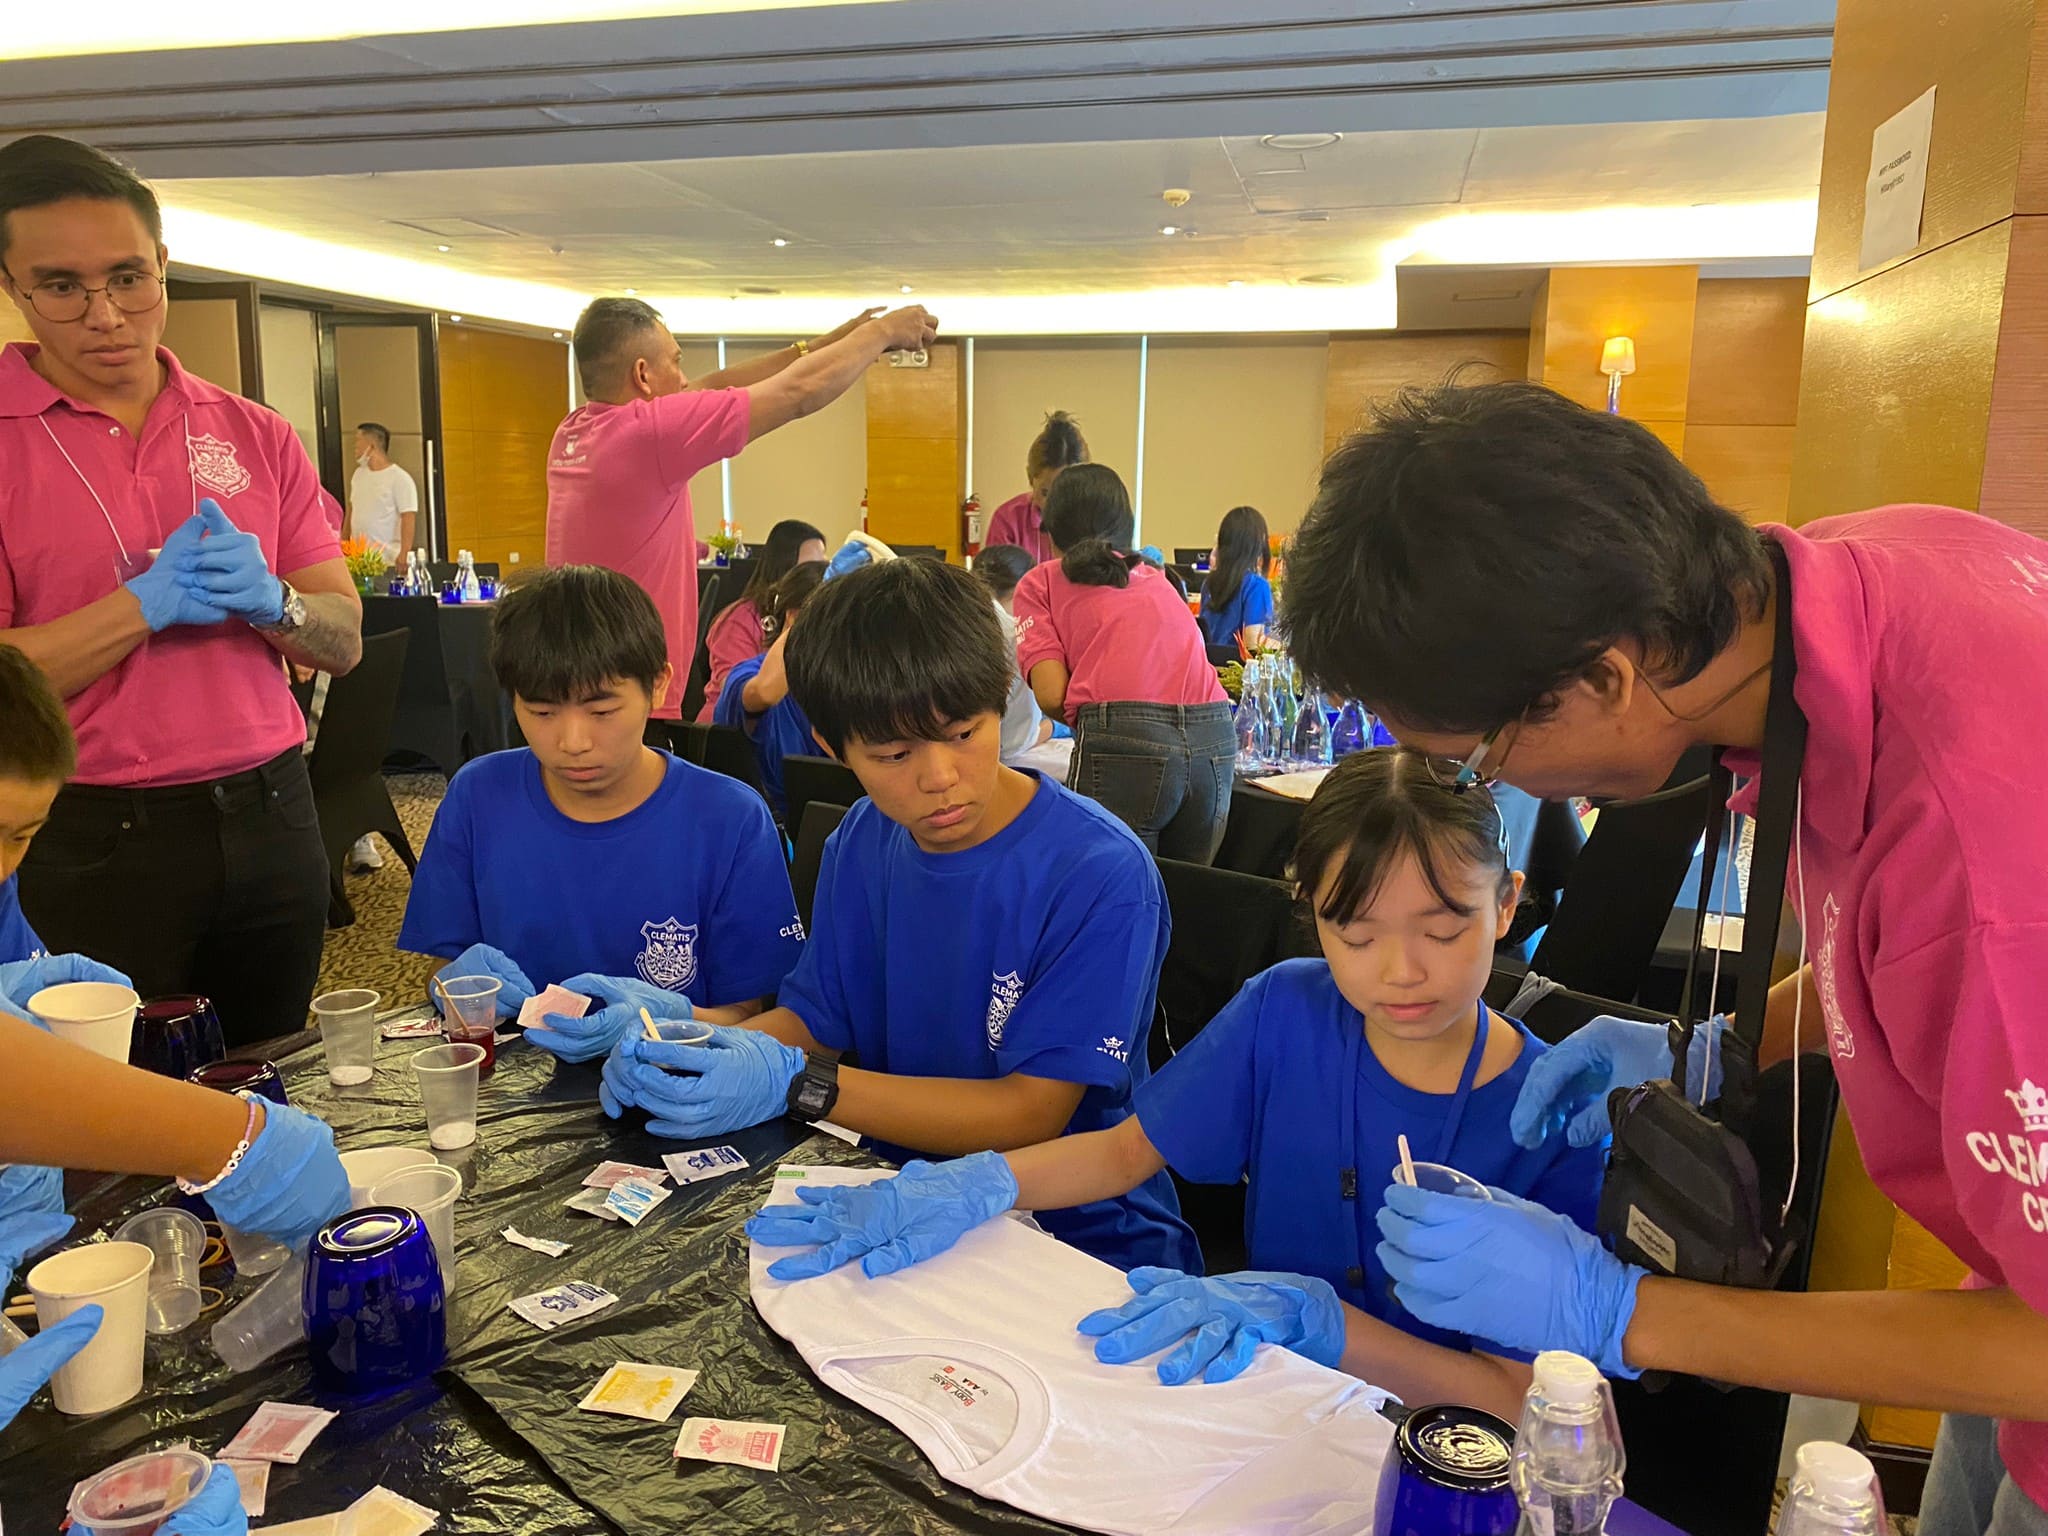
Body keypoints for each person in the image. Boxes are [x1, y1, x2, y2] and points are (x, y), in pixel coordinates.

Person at [1283, 380, 2048, 1536]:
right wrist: (1716, 1047)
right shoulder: (1845, 583)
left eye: (1477, 758)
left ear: (1600, 678)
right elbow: (1904, 957)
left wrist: (1616, 1310)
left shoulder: (1977, 863)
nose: (1493, 785)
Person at [746, 748, 1603, 1420]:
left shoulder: (1558, 1112)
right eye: (1356, 934)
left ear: (1506, 904)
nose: (1401, 972)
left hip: (1444, 1453)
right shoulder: (1286, 1009)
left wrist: (1332, 1329)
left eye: (1443, 930)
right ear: (1311, 912)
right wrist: (977, 1185)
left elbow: (1524, 1400)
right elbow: (1123, 1152)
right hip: (1264, 1404)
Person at [600, 557, 1198, 1275]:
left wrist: (798, 1083)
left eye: (964, 734)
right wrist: (687, 1045)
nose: (939, 778)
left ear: (1002, 700)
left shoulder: (1097, 871)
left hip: (1077, 1237)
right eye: (892, 754)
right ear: (832, 746)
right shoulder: (864, 838)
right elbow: (815, 1020)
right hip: (887, 1188)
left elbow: (1031, 1112)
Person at [0, 135, 360, 1050]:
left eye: (128, 278)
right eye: (62, 286)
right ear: (12, 287)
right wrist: (139, 608)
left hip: (272, 809)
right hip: (87, 832)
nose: (106, 315)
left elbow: (344, 637)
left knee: (270, 1065)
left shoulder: (255, 431)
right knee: (109, 1096)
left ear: (162, 265)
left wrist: (275, 603)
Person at [398, 565, 803, 1062]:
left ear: (658, 685)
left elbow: (747, 1011)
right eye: (542, 712)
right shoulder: (477, 797)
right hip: (512, 1084)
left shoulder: (729, 820)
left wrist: (665, 1021)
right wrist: (453, 984)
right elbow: (443, 966)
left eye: (602, 711)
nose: (573, 742)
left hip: (666, 1079)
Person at [546, 298, 935, 751]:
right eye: (676, 361)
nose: (685, 378)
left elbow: (719, 385)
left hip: (577, 690)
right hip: (627, 706)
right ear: (643, 375)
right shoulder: (647, 435)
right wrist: (884, 332)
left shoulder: (576, 431)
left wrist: (825, 346)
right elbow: (797, 394)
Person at [1013, 465, 1233, 863]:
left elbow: (1051, 694)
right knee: (1191, 891)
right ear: (1125, 526)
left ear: (1051, 530)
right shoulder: (1155, 577)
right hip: (1215, 733)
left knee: (1105, 889)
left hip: (1126, 738)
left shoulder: (1040, 581)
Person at [711, 560, 825, 822]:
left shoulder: (840, 683)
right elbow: (764, 692)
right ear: (793, 617)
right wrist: (802, 627)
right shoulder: (747, 674)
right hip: (765, 826)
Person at [696, 517, 826, 724]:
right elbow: (738, 694)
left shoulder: (819, 624)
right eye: (812, 566)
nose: (820, 575)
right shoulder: (739, 620)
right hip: (729, 732)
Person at [969, 543, 1055, 761]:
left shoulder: (950, 615)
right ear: (1023, 590)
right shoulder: (1014, 636)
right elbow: (1014, 742)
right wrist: (1052, 728)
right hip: (992, 751)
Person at [983, 411, 1088, 565]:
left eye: (1065, 494)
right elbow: (995, 578)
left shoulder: (1094, 521)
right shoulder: (1008, 520)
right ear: (1030, 478)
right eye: (1045, 493)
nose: (1053, 505)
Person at [1198, 505, 1275, 652]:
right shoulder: (1256, 586)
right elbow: (1253, 644)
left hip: (1210, 662)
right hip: (1238, 664)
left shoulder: (1209, 583)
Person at [347, 421, 417, 563]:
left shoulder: (399, 478)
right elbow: (351, 511)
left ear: (372, 446)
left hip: (387, 558)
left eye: (358, 441)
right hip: (358, 558)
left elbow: (408, 517)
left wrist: (405, 553)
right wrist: (343, 543)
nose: (355, 446)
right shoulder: (358, 475)